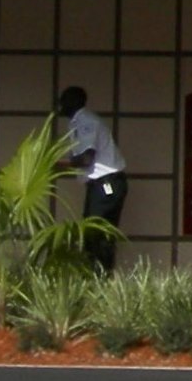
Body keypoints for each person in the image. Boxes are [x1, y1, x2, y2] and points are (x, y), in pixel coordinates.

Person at [57, 85, 127, 273]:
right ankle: (96, 275)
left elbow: (86, 159)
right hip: (100, 185)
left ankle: (100, 277)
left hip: (107, 184)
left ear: (74, 102)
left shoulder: (86, 121)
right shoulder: (76, 122)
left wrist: (55, 165)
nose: (60, 105)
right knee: (93, 232)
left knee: (97, 232)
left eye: (63, 100)